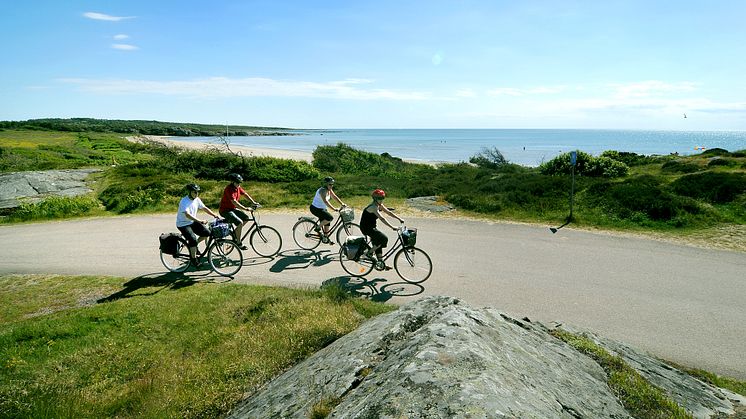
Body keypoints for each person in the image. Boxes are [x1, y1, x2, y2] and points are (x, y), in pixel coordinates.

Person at [176, 183, 219, 264]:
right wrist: (199, 221)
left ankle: (193, 246)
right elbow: (187, 215)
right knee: (193, 239)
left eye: (197, 192)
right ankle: (193, 259)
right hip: (183, 224)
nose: (196, 194)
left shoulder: (197, 199)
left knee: (207, 233)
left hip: (192, 222)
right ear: (190, 192)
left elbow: (204, 208)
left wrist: (214, 215)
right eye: (194, 192)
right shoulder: (184, 201)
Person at [359, 188, 403, 265]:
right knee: (383, 238)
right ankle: (368, 254)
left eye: (383, 198)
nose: (381, 200)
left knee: (377, 242)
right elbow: (382, 218)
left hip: (372, 227)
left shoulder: (379, 205)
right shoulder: (373, 207)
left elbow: (388, 212)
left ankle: (380, 263)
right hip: (366, 228)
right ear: (375, 198)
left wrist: (399, 219)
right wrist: (392, 227)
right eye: (379, 198)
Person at [219, 173, 259, 250]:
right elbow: (234, 202)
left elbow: (245, 194)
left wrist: (253, 202)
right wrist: (245, 208)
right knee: (240, 222)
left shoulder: (238, 188)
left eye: (239, 183)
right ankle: (238, 242)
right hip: (225, 210)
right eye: (237, 182)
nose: (238, 184)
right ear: (233, 182)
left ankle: (235, 233)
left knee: (246, 218)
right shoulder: (229, 189)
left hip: (232, 209)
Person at [310, 176, 346, 242]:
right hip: (315, 208)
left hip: (322, 208)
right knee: (329, 218)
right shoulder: (322, 191)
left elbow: (334, 197)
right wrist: (334, 209)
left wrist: (342, 203)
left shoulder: (329, 190)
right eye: (330, 184)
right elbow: (326, 201)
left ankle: (325, 238)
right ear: (326, 184)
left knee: (327, 222)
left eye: (332, 184)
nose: (331, 186)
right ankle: (317, 228)